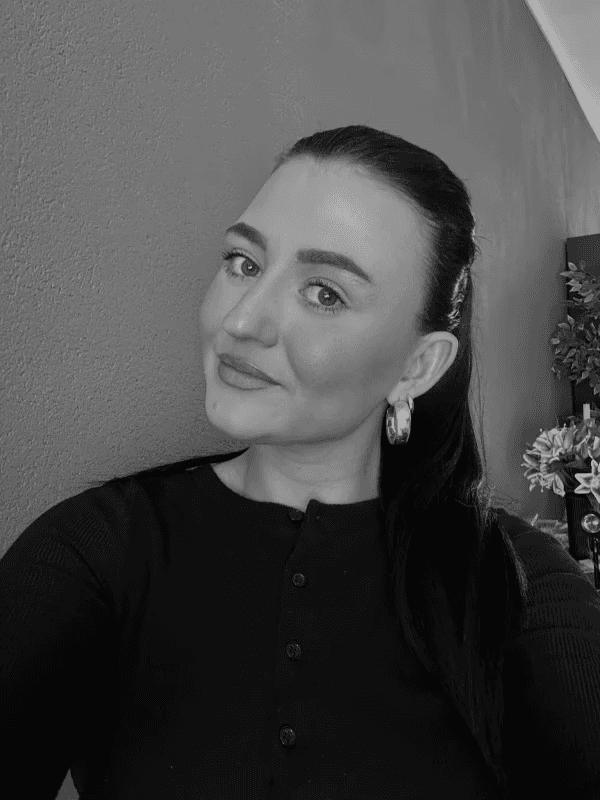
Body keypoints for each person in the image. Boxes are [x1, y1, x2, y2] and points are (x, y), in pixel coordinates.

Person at [2, 124, 599, 799]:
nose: (241, 321)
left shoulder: (517, 588)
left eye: (325, 294)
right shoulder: (96, 554)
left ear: (417, 366)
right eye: (243, 262)